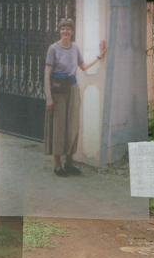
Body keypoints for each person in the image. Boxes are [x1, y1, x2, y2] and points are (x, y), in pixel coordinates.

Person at [44, 18, 107, 177]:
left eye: (68, 28)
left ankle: (69, 163)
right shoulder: (53, 49)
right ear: (60, 30)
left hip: (72, 89)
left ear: (72, 31)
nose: (65, 31)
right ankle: (58, 165)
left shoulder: (75, 48)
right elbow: (47, 74)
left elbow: (83, 66)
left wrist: (99, 56)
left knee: (72, 127)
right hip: (58, 91)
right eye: (62, 28)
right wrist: (49, 98)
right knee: (58, 127)